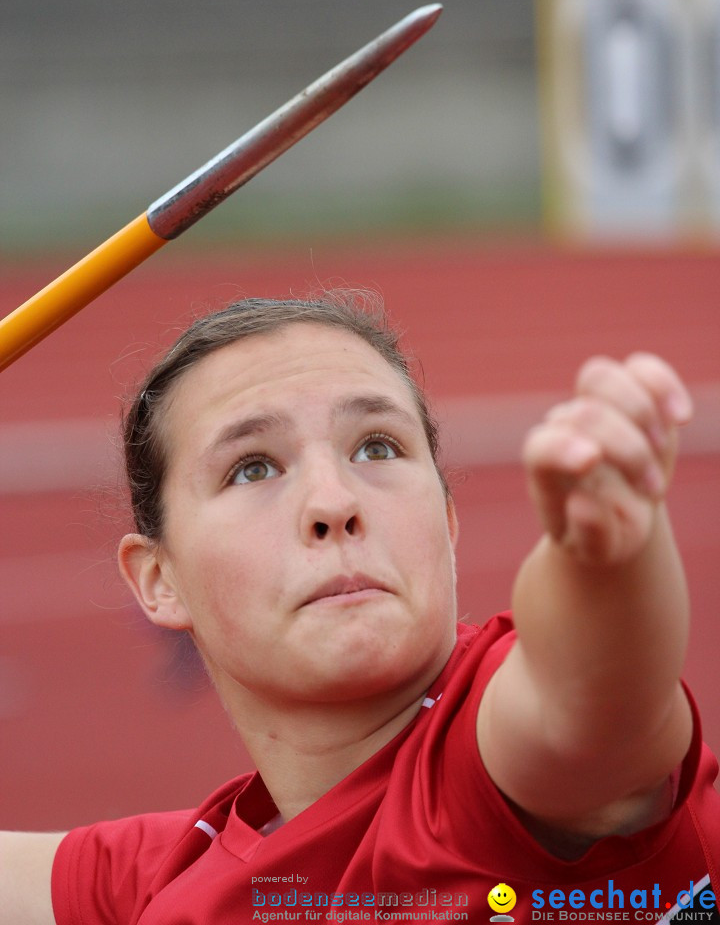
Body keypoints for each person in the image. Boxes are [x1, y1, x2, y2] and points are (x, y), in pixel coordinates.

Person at [2, 290, 719, 925]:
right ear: (158, 579)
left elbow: (589, 702)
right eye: (253, 467)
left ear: (447, 519)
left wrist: (602, 560)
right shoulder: (168, 876)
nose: (334, 502)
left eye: (377, 448)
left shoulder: (492, 770)